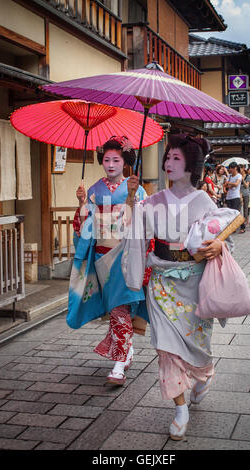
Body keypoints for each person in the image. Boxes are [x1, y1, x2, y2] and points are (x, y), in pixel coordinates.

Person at [122, 134, 235, 441]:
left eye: (175, 158)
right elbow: (134, 240)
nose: (168, 163)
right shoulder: (151, 202)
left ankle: (203, 374)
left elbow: (223, 234)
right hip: (161, 283)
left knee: (198, 346)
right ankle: (180, 410)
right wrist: (132, 200)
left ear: (191, 166)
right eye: (167, 157)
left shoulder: (204, 201)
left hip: (195, 281)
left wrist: (218, 246)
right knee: (166, 349)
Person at [70, 136, 148, 386]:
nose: (111, 164)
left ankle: (119, 363)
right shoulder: (93, 190)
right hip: (102, 255)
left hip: (125, 255)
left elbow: (143, 223)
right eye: (107, 159)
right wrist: (82, 203)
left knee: (119, 307)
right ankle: (127, 351)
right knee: (117, 309)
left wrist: (132, 198)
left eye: (116, 159)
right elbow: (84, 227)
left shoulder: (135, 187)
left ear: (125, 162)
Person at [224, 162, 245, 233]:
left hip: (236, 196)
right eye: (229, 168)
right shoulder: (229, 176)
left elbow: (236, 184)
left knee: (236, 213)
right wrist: (230, 185)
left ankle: (242, 226)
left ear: (235, 168)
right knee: (230, 213)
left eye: (231, 168)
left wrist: (230, 184)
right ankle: (233, 228)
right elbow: (225, 185)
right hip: (228, 197)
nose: (230, 170)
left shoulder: (239, 176)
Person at [240, 166, 250, 230]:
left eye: (241, 168)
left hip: (246, 193)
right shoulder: (238, 175)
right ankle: (241, 222)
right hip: (239, 194)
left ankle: (245, 221)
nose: (240, 170)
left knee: (245, 208)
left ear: (243, 168)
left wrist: (242, 179)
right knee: (240, 208)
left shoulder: (248, 176)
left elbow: (246, 186)